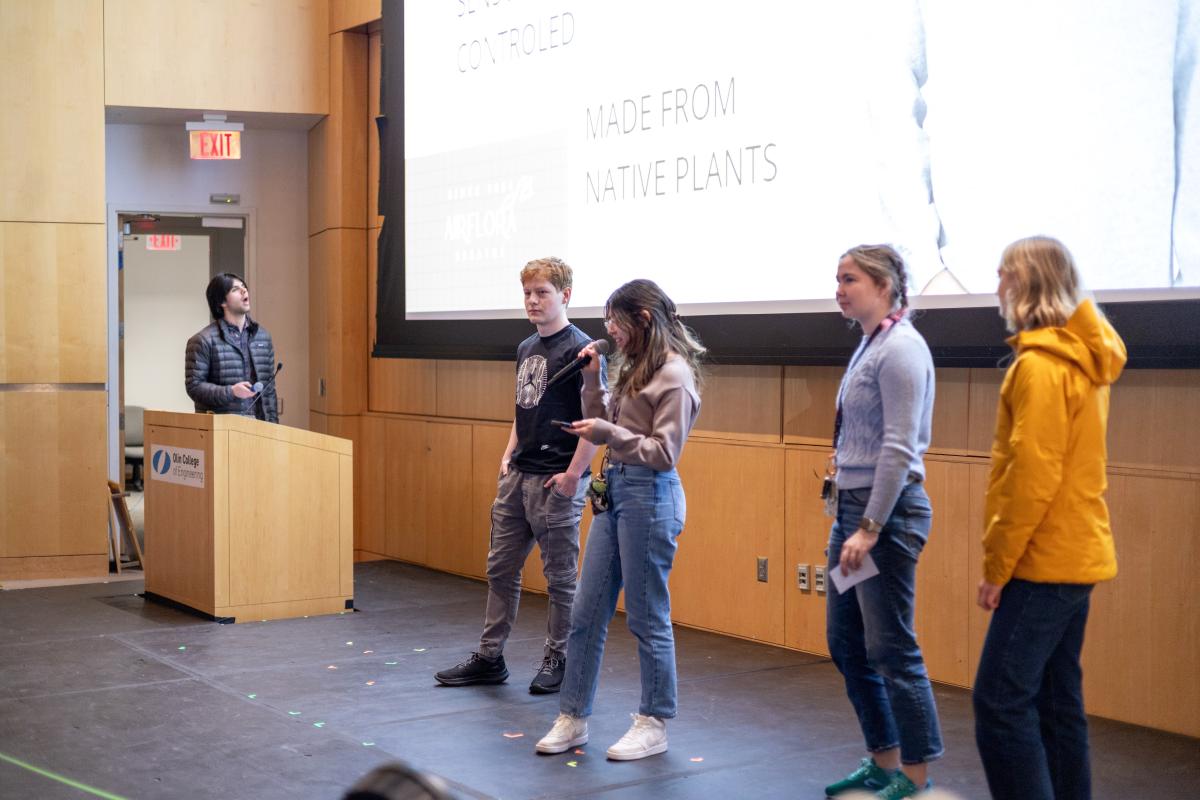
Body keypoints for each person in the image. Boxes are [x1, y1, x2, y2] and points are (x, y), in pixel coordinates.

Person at [973, 237, 1126, 800]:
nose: (996, 288)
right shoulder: (1083, 360)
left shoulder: (1039, 366)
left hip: (1043, 561)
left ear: (1027, 283)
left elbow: (1031, 478)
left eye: (1003, 275)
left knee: (999, 702)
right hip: (1076, 554)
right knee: (1058, 703)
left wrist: (998, 565)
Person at [536, 279, 704, 762]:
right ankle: (572, 715)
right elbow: (603, 414)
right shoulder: (636, 366)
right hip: (617, 496)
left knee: (648, 617)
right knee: (586, 613)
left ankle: (654, 721)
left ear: (644, 320)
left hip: (651, 496)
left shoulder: (674, 374)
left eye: (617, 320)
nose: (610, 329)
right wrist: (592, 379)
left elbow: (664, 452)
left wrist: (611, 433)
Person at [435, 257, 601, 694]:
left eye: (542, 292)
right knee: (500, 570)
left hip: (556, 482)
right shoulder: (526, 348)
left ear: (565, 295)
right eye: (527, 292)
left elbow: (596, 420)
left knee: (561, 578)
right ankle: (490, 658)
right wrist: (508, 454)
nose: (532, 300)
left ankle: (559, 657)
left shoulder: (582, 350)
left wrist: (572, 476)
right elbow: (524, 408)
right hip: (519, 476)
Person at [823, 245, 942, 799]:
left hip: (885, 515)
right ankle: (882, 761)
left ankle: (915, 779)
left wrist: (869, 525)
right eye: (838, 279)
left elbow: (898, 449)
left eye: (850, 279)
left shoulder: (901, 349)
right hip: (855, 508)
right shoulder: (870, 344)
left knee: (892, 649)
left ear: (885, 285)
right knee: (846, 641)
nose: (840, 289)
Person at [185, 273, 279, 423]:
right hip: (222, 427)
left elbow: (269, 389)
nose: (244, 291)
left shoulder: (263, 337)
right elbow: (194, 387)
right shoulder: (202, 340)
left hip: (260, 426)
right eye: (235, 289)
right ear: (222, 301)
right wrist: (231, 391)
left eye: (244, 287)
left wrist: (274, 426)